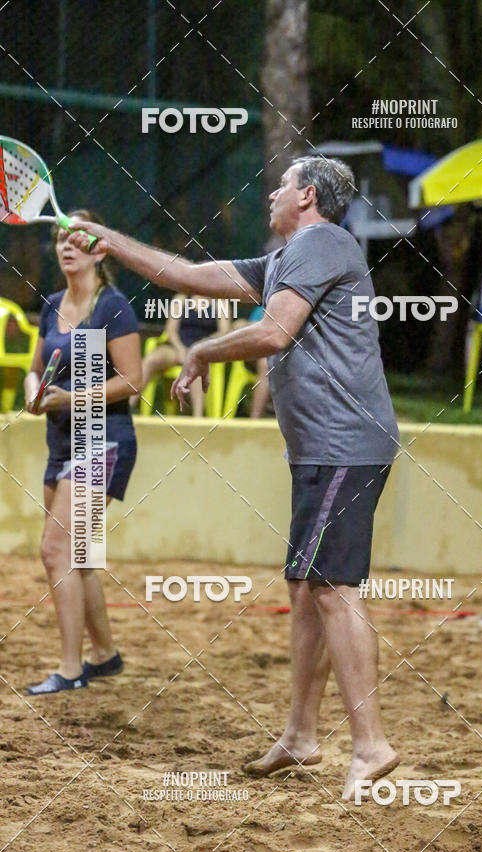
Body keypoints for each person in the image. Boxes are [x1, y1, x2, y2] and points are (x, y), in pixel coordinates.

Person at [67, 157, 400, 801]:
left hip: (344, 444)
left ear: (308, 196)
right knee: (306, 587)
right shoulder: (285, 260)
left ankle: (371, 744)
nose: (271, 193)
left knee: (332, 586)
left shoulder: (322, 243)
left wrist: (201, 351)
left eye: (282, 184)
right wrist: (109, 240)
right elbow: (186, 275)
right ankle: (301, 735)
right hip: (325, 448)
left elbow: (275, 333)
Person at [24, 210, 141, 695]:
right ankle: (105, 655)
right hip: (61, 442)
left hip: (103, 438)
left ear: (99, 250)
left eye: (77, 239)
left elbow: (131, 381)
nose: (66, 246)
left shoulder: (111, 306)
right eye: (60, 238)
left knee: (56, 550)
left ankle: (70, 670)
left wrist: (69, 398)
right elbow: (35, 370)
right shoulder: (53, 304)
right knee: (81, 555)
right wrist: (33, 391)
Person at [133, 293, 228, 416]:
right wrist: (180, 349)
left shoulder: (220, 302)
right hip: (178, 348)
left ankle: (198, 419)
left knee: (196, 365)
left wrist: (201, 345)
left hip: (203, 351)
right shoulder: (181, 299)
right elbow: (171, 331)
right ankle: (127, 406)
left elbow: (224, 332)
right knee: (151, 359)